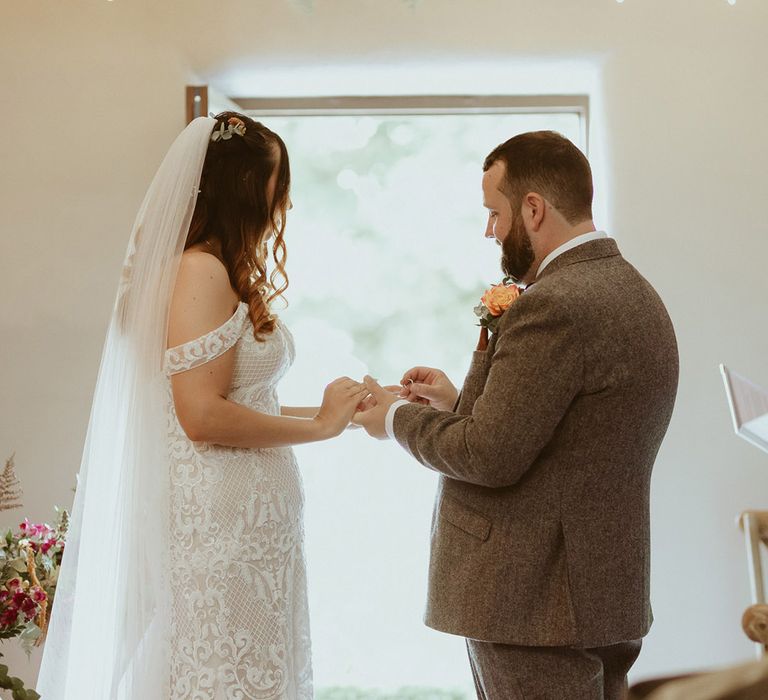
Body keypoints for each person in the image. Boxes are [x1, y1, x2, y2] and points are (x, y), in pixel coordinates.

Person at [38, 112, 367, 700]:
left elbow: (237, 398)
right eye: (275, 185)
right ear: (244, 187)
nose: (281, 202)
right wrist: (318, 428)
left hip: (253, 537)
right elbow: (201, 416)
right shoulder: (199, 270)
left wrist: (336, 413)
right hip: (220, 535)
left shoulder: (220, 269)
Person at [355, 131, 679, 700]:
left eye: (493, 213)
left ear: (533, 209)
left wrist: (391, 419)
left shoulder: (556, 303)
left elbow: (487, 456)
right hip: (601, 588)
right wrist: (460, 404)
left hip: (533, 600)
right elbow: (577, 429)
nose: (490, 231)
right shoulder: (634, 291)